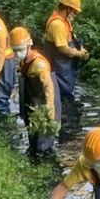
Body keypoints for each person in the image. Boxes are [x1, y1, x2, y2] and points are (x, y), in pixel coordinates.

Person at [10, 26, 61, 158]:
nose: (17, 53)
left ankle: (47, 169)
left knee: (43, 145)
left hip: (45, 105)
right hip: (34, 104)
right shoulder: (24, 62)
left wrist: (50, 109)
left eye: (20, 50)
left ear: (29, 46)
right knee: (34, 139)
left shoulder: (39, 65)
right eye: (14, 50)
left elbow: (48, 87)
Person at [43, 0, 89, 100]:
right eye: (75, 11)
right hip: (58, 68)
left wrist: (82, 49)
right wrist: (79, 54)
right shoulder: (57, 24)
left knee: (66, 93)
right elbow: (63, 48)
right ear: (68, 9)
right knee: (60, 96)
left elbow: (72, 39)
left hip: (65, 69)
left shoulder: (65, 22)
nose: (76, 14)